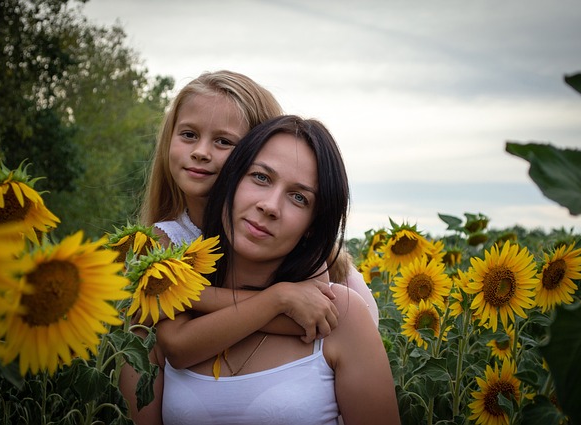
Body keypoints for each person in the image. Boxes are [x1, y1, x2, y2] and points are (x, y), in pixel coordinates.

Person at [155, 115, 400, 424]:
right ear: (231, 181)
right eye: (261, 178)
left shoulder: (341, 313)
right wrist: (278, 298)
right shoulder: (168, 297)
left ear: (313, 225)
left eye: (299, 198)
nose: (270, 206)